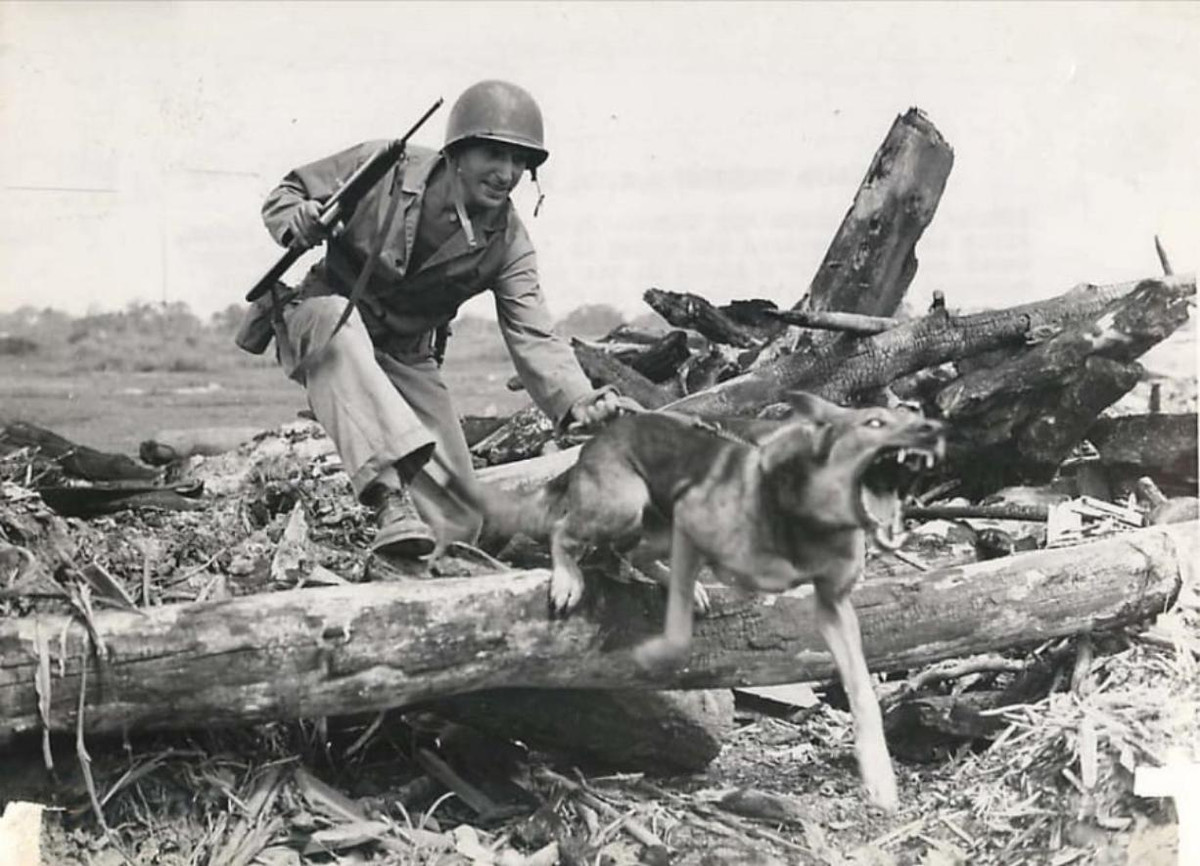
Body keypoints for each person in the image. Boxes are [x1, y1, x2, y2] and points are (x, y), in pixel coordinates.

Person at [237, 80, 630, 559]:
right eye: (494, 154)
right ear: (458, 153)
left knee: (460, 517)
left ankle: (406, 576)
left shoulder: (508, 244)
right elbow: (289, 191)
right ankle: (388, 501)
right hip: (324, 319)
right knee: (336, 326)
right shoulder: (383, 166)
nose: (506, 173)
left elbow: (534, 335)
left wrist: (579, 401)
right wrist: (298, 217)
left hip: (406, 354)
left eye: (519, 161)